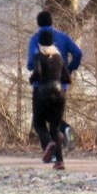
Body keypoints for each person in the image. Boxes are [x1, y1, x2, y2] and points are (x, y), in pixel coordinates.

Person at [26, 10, 82, 157]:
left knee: (39, 120)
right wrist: (69, 70)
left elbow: (32, 62)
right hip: (61, 85)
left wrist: (33, 70)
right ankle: (66, 130)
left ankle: (50, 152)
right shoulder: (63, 37)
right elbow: (78, 53)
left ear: (38, 24)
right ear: (52, 22)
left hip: (41, 87)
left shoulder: (36, 39)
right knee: (54, 118)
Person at [29, 30, 71, 171]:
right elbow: (67, 78)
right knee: (55, 127)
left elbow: (38, 73)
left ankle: (48, 144)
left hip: (43, 95)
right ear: (53, 43)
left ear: (40, 43)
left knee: (39, 123)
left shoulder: (39, 57)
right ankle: (60, 161)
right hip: (59, 96)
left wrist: (33, 79)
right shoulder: (59, 58)